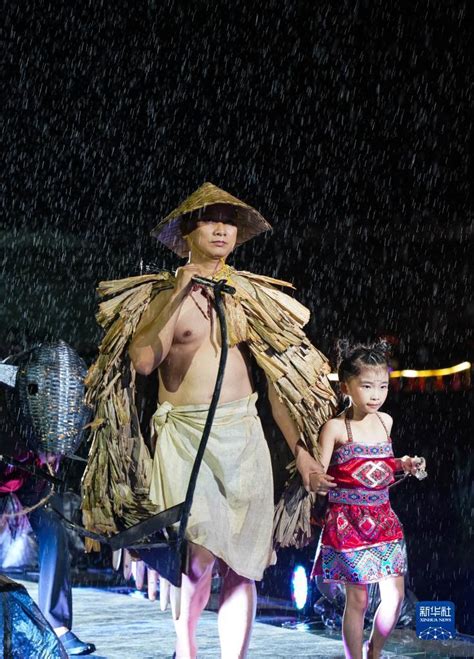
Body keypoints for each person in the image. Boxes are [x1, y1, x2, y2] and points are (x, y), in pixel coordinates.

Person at [82, 182, 337, 658]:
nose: (221, 228)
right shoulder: (161, 296)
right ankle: (188, 647)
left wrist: (301, 453)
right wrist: (180, 292)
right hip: (185, 436)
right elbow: (141, 362)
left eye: (229, 220)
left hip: (244, 436)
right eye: (209, 218)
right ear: (186, 231)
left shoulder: (251, 297)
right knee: (198, 555)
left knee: (244, 563)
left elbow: (277, 384)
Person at [311, 341, 427, 659]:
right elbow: (316, 476)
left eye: (382, 386)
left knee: (396, 598)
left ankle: (373, 649)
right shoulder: (335, 428)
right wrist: (316, 481)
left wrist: (403, 464)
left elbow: (384, 469)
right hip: (346, 522)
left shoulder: (385, 422)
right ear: (347, 385)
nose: (376, 394)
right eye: (367, 386)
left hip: (383, 519)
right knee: (358, 600)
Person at [0, 452, 96, 656]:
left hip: (27, 467)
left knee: (53, 527)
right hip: (10, 461)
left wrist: (46, 450)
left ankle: (56, 624)